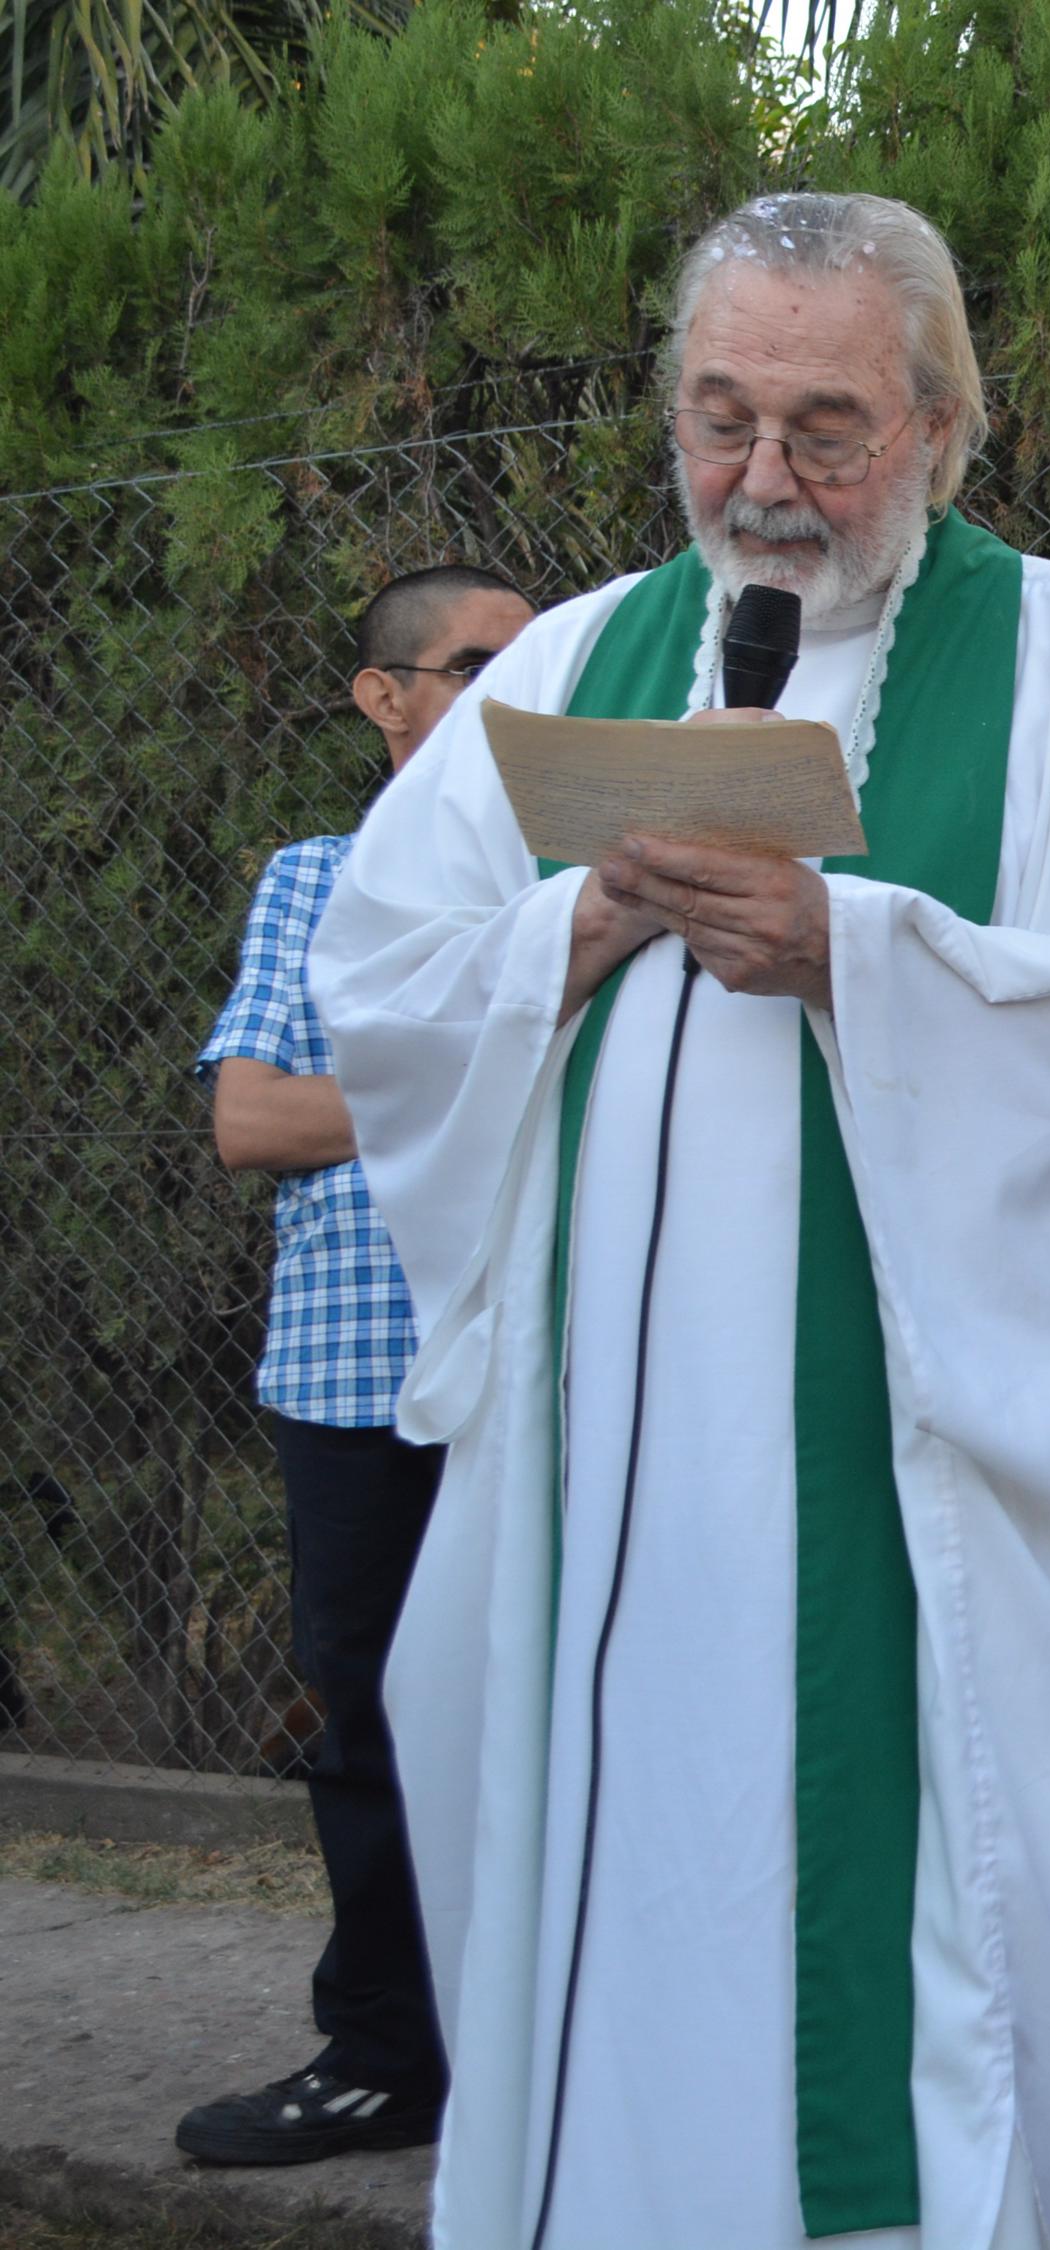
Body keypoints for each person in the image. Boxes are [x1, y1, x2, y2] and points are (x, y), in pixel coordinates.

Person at [308, 193, 1050, 2248]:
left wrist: (860, 957)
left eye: (826, 430)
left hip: (915, 1505)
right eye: (721, 417)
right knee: (613, 1919)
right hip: (608, 1511)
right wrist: (575, 928)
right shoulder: (572, 667)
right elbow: (381, 984)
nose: (761, 481)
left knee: (916, 2014)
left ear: (942, 427)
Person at [177, 565, 533, 2168]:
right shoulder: (318, 878)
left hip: (544, 1364)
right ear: (383, 698)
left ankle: (561, 2053)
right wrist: (492, 1075)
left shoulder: (590, 883)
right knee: (377, 1725)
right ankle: (390, 2054)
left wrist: (396, 1100)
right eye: (475, 668)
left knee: (562, 1711)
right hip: (356, 1370)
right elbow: (252, 1116)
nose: (517, 694)